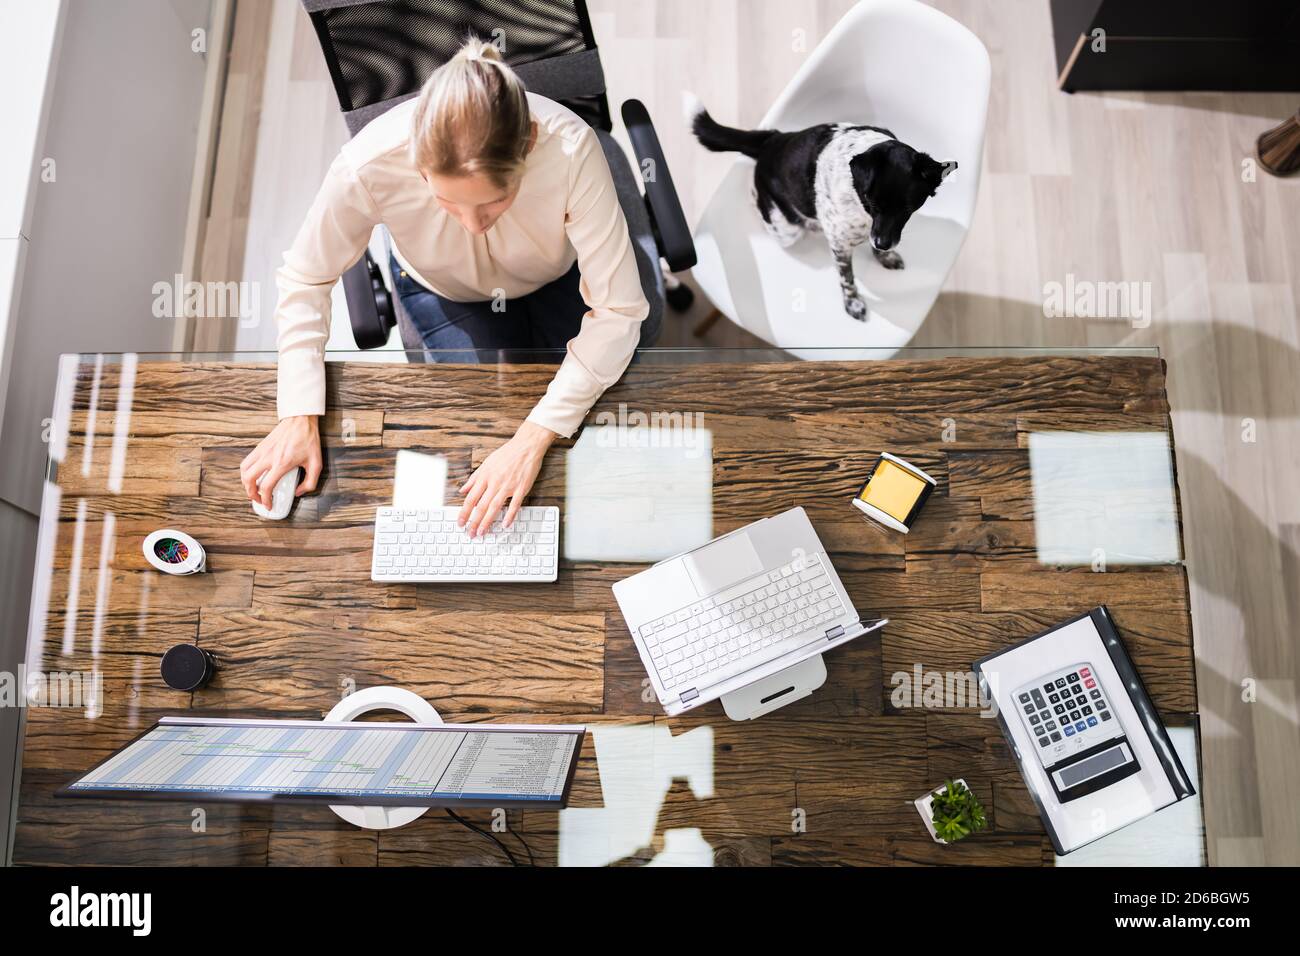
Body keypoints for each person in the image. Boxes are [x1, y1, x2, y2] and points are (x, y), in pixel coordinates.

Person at [240, 38, 653, 536]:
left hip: (558, 278)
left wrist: (534, 437)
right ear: (416, 163)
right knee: (473, 446)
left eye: (494, 203)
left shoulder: (569, 147)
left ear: (527, 147)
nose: (473, 225)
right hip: (445, 293)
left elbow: (618, 311)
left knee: (595, 446)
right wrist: (298, 412)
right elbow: (306, 275)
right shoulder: (369, 162)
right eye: (449, 203)